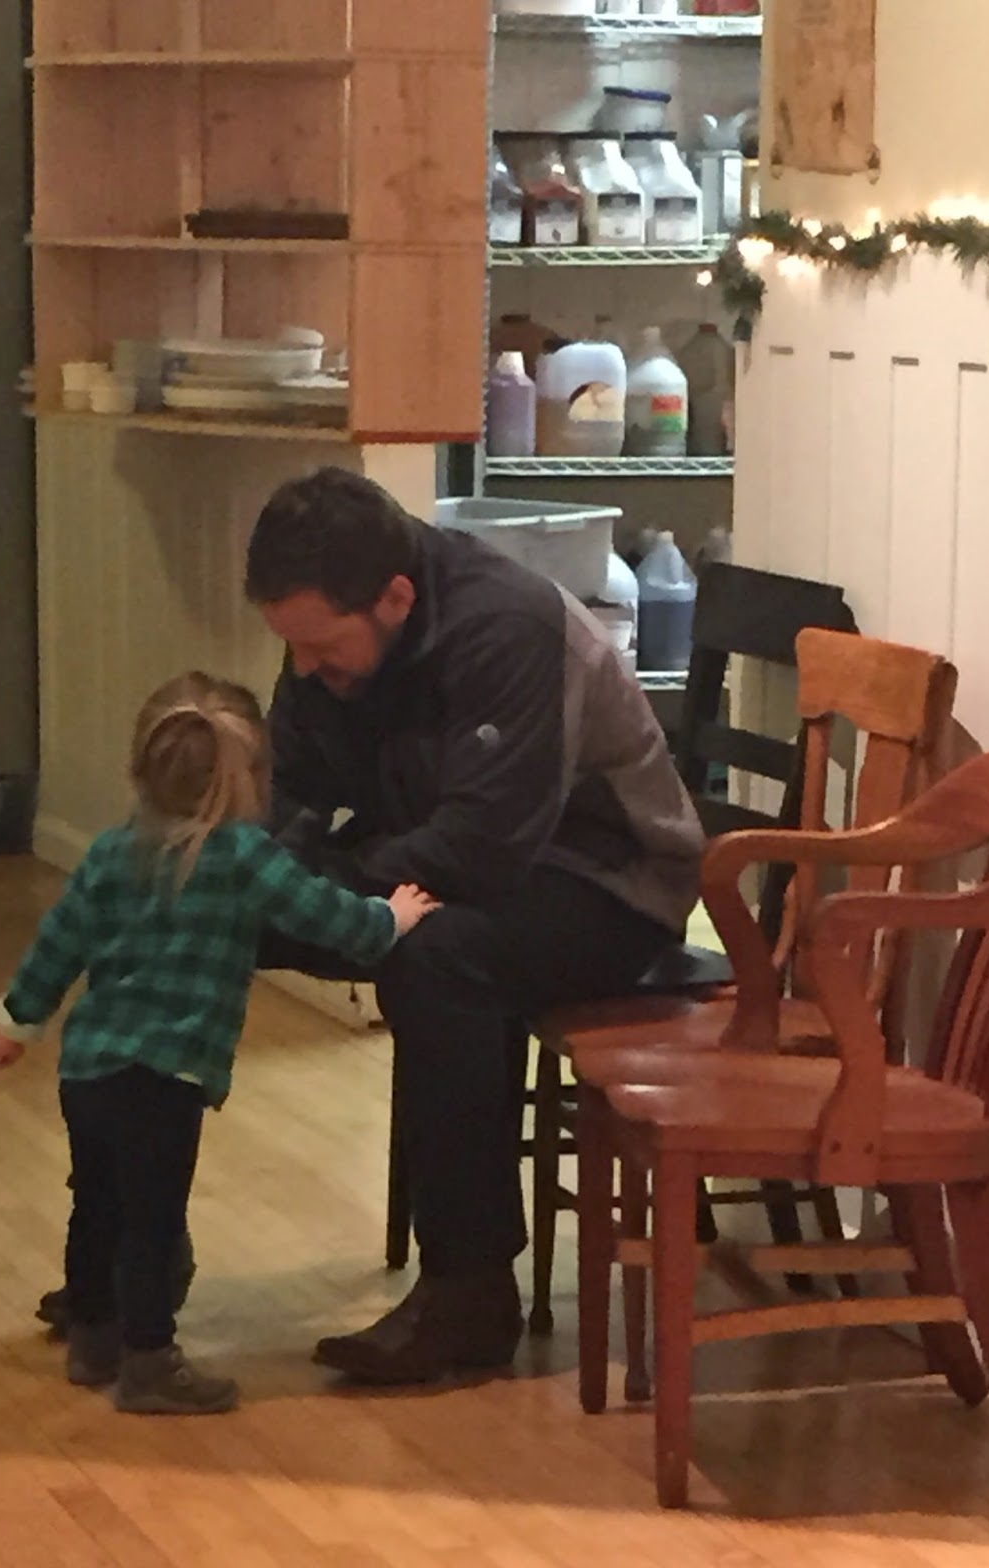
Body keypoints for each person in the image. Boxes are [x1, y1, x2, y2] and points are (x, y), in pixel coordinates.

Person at [244, 467, 705, 1385]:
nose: (302, 670)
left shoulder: (509, 626)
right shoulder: (334, 638)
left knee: (435, 958)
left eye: (320, 647)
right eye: (289, 648)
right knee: (215, 919)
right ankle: (124, 1259)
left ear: (395, 598)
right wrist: (238, 877)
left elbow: (479, 849)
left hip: (608, 878)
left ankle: (468, 1293)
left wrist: (317, 888)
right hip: (470, 853)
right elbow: (289, 784)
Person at [0, 672, 437, 1413]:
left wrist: (15, 1027)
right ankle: (150, 1360)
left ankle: (93, 1336)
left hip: (88, 1071)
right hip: (166, 1077)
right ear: (251, 776)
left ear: (140, 767)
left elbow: (57, 945)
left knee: (96, 1204)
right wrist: (394, 915)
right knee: (154, 1221)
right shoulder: (242, 857)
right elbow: (330, 918)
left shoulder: (110, 852)